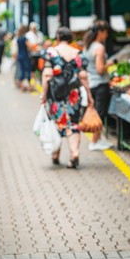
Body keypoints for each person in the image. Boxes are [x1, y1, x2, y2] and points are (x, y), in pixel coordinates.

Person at [40, 27, 94, 169]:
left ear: (58, 37)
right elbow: (83, 76)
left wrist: (43, 94)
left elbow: (47, 74)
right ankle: (74, 153)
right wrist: (89, 95)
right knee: (72, 124)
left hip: (55, 96)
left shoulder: (51, 52)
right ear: (70, 38)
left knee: (56, 123)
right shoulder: (78, 53)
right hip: (73, 95)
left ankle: (55, 154)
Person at [83, 20, 115, 151]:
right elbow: (100, 69)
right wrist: (112, 62)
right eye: (106, 32)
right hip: (100, 84)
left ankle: (98, 139)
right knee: (100, 113)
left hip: (91, 83)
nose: (107, 35)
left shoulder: (88, 46)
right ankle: (94, 142)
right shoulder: (99, 48)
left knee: (97, 111)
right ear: (101, 32)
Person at [16, 25, 33, 92]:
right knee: (28, 70)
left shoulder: (18, 38)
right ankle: (28, 86)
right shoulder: (24, 38)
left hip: (19, 56)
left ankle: (22, 86)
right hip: (25, 56)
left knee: (22, 70)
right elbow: (30, 46)